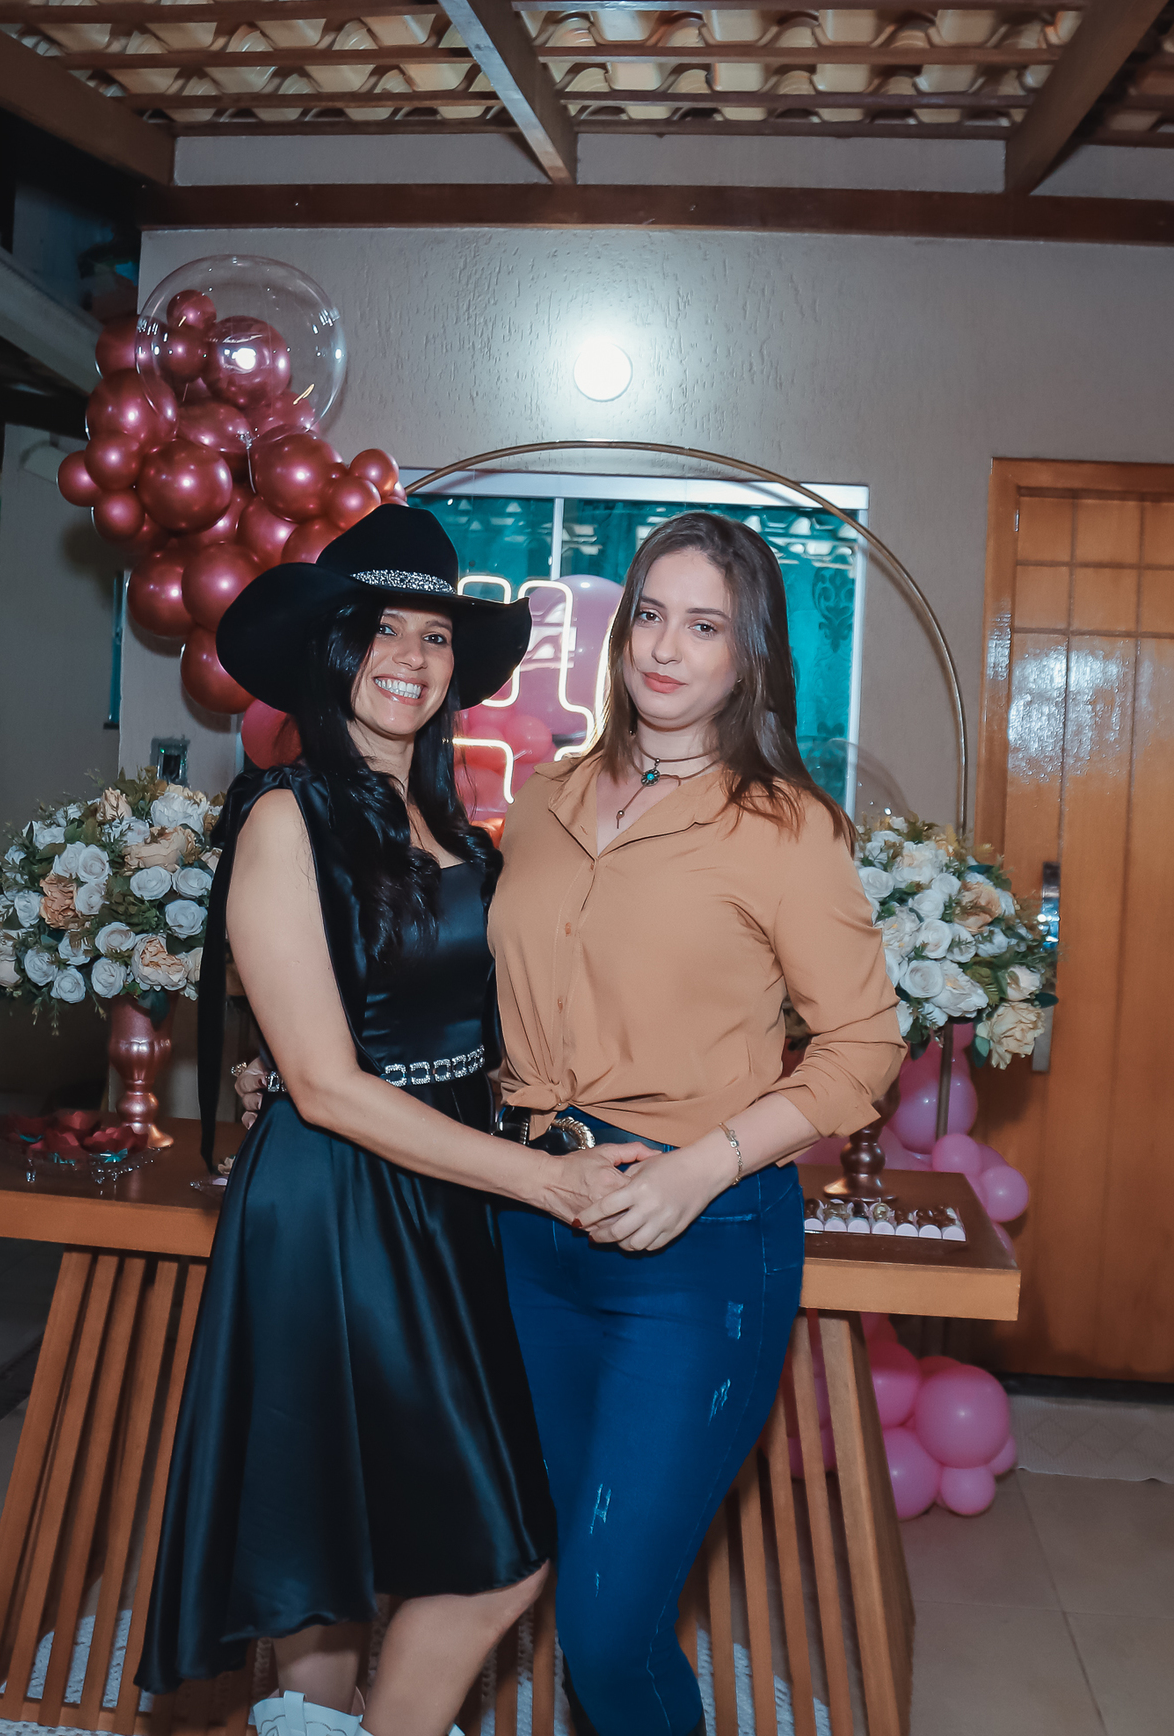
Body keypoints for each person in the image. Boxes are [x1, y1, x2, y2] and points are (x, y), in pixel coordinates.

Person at [137, 507, 645, 1736]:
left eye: (435, 634)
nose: (410, 657)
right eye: (382, 629)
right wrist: (545, 1183)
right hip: (339, 1206)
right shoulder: (283, 816)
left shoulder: (451, 822)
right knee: (466, 1555)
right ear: (334, 648)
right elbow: (322, 1082)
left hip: (445, 1192)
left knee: (359, 1541)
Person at [486, 512, 905, 1736]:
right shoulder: (546, 799)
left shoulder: (786, 828)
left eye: (705, 626)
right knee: (554, 1565)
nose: (666, 649)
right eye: (651, 616)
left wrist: (699, 1171)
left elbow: (864, 1045)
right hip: (532, 1227)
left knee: (608, 1627)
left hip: (699, 1245)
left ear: (747, 655)